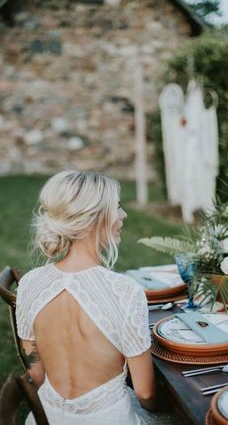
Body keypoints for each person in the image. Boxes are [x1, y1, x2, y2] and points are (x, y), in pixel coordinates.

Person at [16, 171, 163, 424]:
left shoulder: (31, 283)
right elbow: (145, 392)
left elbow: (35, 372)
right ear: (94, 219)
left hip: (48, 418)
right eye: (117, 207)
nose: (123, 215)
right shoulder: (125, 291)